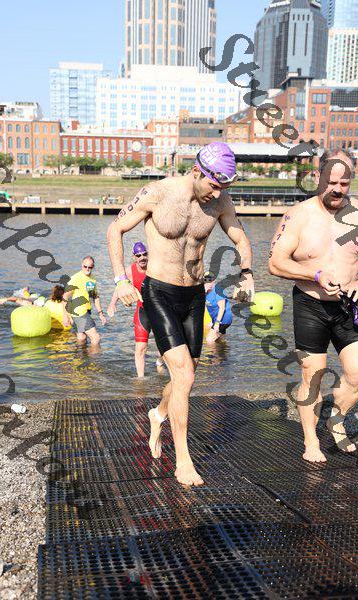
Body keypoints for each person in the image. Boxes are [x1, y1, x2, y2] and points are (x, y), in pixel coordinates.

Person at [107, 141, 254, 486]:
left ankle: (158, 414)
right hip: (158, 292)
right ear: (196, 171)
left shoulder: (221, 201)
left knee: (184, 377)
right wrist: (120, 280)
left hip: (194, 295)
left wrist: (247, 274)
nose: (217, 192)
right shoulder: (158, 193)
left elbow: (240, 238)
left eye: (223, 187)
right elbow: (116, 229)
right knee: (184, 375)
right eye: (213, 185)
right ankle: (183, 461)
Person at [269, 148, 358, 463]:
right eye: (331, 182)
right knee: (313, 374)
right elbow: (275, 262)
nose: (337, 189)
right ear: (317, 177)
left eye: (344, 183)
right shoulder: (298, 216)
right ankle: (311, 441)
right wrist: (314, 274)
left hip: (350, 305)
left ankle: (335, 419)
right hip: (310, 304)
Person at [107, 241, 164, 377]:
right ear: (134, 257)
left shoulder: (155, 267)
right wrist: (112, 303)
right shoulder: (130, 271)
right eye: (139, 255)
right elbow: (120, 287)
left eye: (144, 254)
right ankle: (140, 378)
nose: (142, 257)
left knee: (164, 348)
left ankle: (160, 362)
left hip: (159, 311)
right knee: (140, 348)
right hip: (142, 313)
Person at [63, 256, 106, 345]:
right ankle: (95, 355)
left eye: (90, 267)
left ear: (93, 267)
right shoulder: (75, 278)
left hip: (85, 311)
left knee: (82, 338)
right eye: (85, 266)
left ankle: (80, 354)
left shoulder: (92, 279)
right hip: (79, 312)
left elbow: (95, 296)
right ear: (81, 265)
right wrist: (65, 316)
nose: (87, 269)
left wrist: (100, 313)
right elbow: (65, 296)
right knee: (95, 337)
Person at [204, 272, 233, 344]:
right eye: (206, 280)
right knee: (220, 341)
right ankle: (223, 350)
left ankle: (214, 352)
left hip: (223, 319)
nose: (208, 283)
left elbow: (222, 308)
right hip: (216, 319)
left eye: (210, 280)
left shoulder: (218, 291)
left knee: (209, 340)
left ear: (214, 281)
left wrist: (217, 323)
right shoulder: (203, 292)